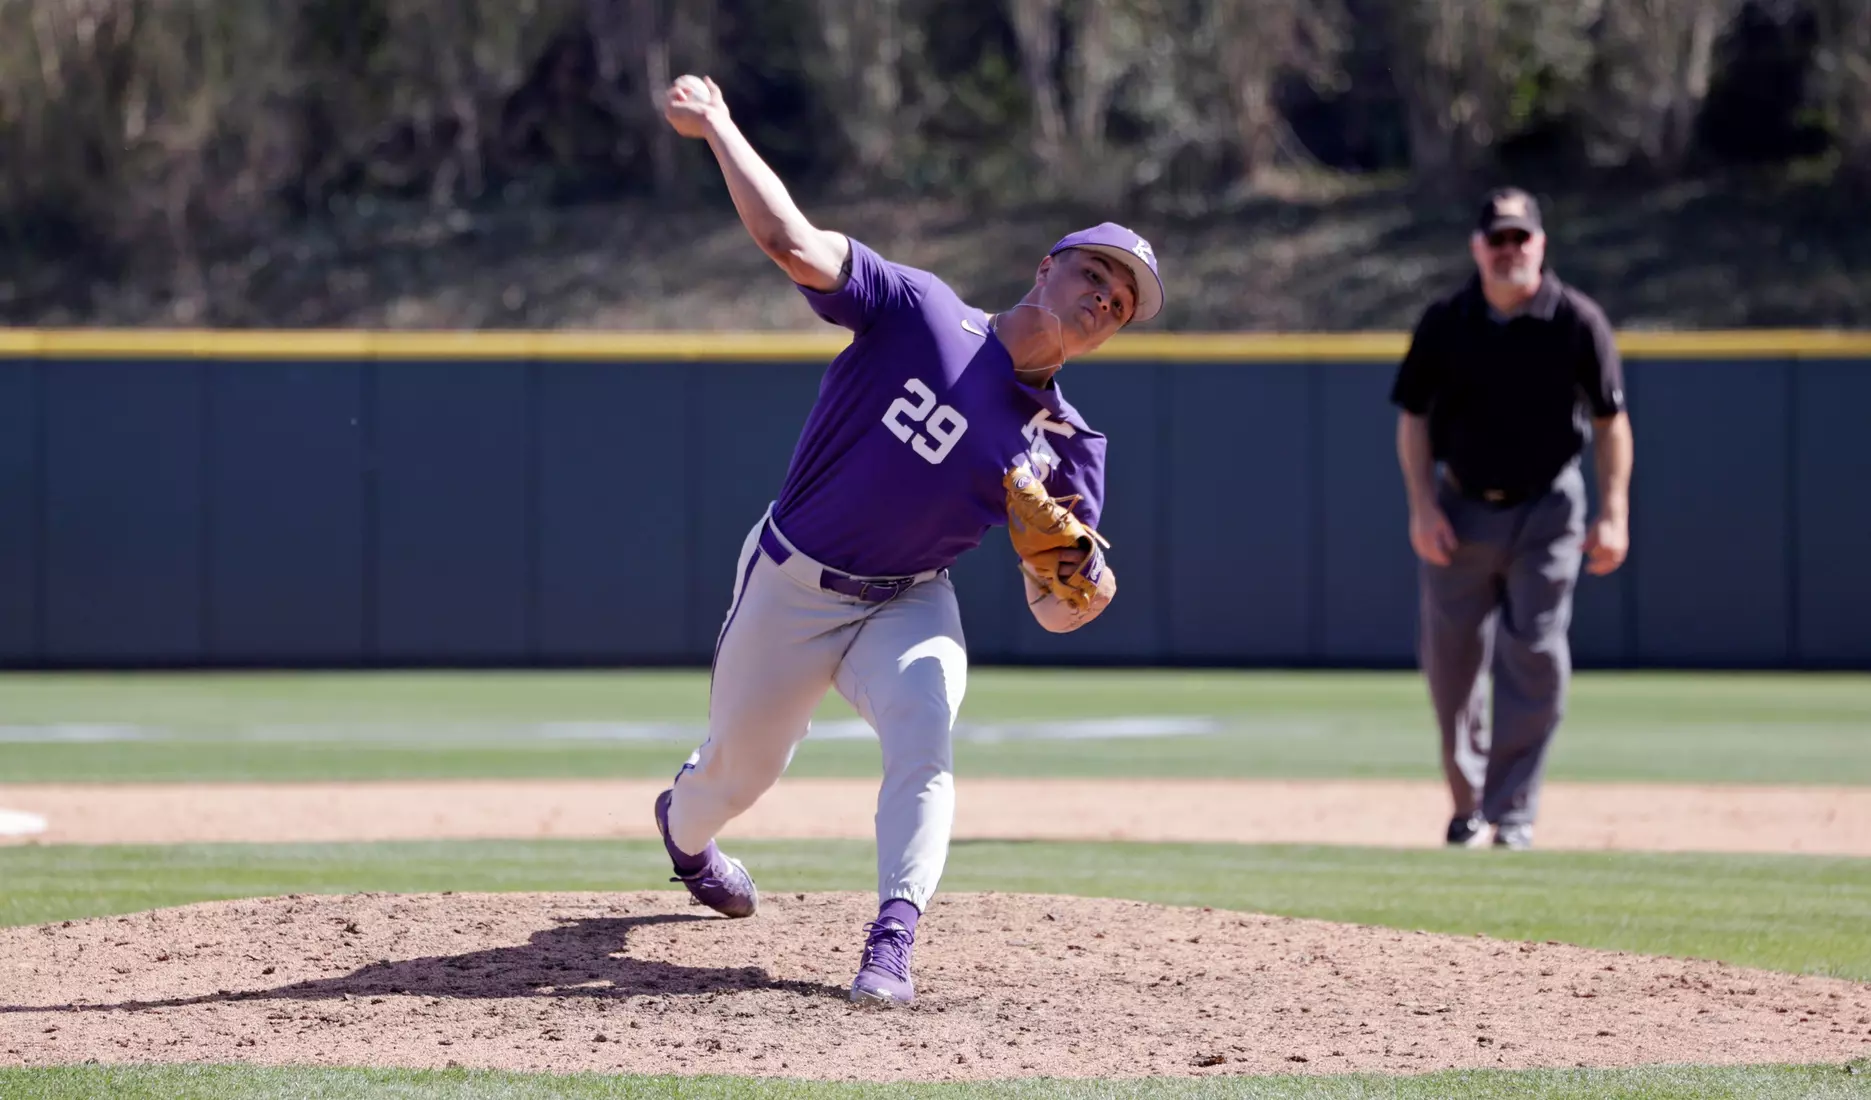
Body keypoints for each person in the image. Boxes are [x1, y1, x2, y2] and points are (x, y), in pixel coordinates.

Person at [650, 74, 1164, 1005]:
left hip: (910, 598)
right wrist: (722, 125)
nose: (1100, 301)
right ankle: (683, 834)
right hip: (791, 582)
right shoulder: (920, 311)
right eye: (1093, 275)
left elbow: (1056, 612)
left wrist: (1072, 580)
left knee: (926, 730)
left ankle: (891, 940)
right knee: (736, 775)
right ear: (1046, 265)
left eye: (1119, 305)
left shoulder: (1069, 445)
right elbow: (790, 243)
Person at [1388, 187, 1634, 852]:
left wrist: (1612, 513)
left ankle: (1514, 812)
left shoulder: (1576, 320)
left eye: (1519, 238)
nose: (1507, 251)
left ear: (1540, 244)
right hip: (1461, 504)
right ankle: (1467, 807)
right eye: (1495, 239)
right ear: (1476, 247)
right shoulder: (1446, 320)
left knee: (1534, 653)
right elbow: (1411, 417)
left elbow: (1612, 425)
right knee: (1451, 662)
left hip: (1547, 508)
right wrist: (1421, 506)